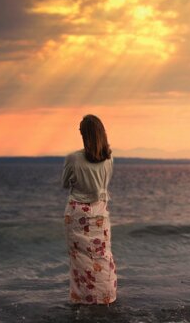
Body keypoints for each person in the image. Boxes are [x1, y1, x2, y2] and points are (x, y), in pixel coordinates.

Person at [62, 114, 117, 305]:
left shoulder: (73, 159)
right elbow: (103, 185)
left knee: (79, 261)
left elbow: (64, 183)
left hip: (78, 214)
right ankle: (106, 296)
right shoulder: (109, 159)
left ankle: (83, 299)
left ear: (84, 135)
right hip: (100, 212)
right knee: (102, 256)